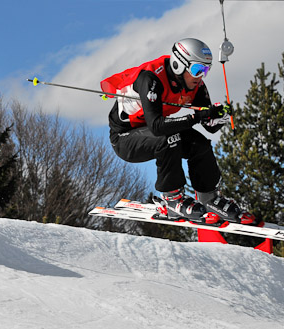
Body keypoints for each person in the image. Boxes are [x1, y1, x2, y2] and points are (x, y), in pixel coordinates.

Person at [101, 38, 254, 224]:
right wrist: (197, 117)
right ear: (178, 65)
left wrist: (219, 116)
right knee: (168, 138)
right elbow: (157, 126)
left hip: (154, 132)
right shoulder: (150, 79)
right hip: (124, 138)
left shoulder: (195, 85)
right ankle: (172, 199)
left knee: (200, 143)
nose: (201, 76)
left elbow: (210, 126)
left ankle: (209, 198)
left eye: (206, 70)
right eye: (197, 69)